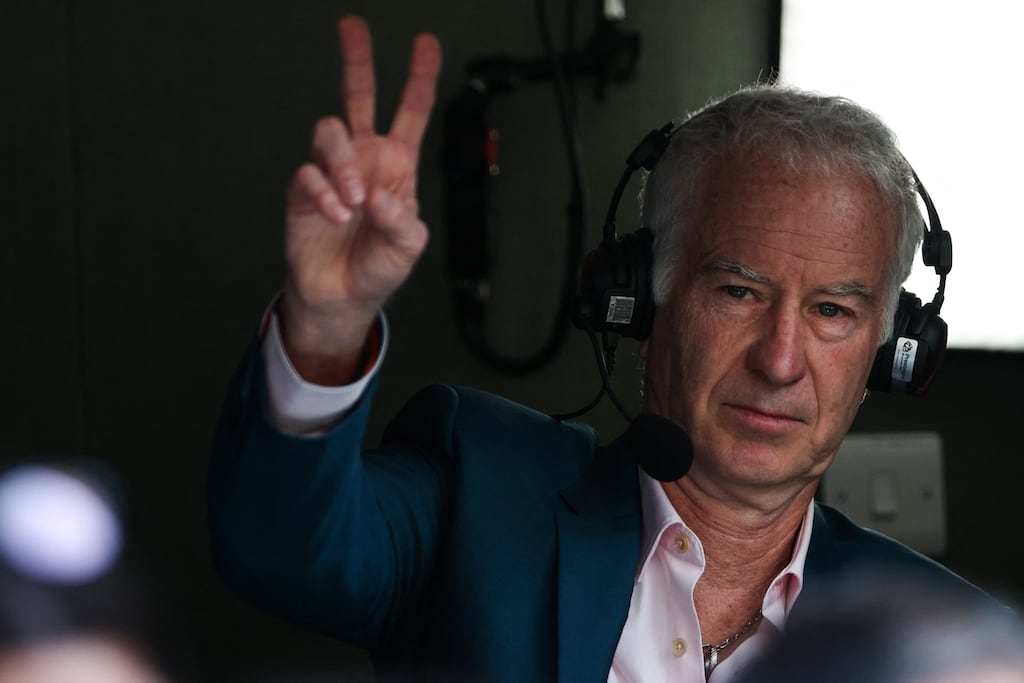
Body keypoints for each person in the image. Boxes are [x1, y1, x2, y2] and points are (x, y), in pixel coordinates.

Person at [208, 15, 989, 683]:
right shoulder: (476, 490)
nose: (780, 359)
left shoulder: (950, 644)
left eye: (831, 311)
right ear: (641, 300)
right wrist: (325, 328)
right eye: (738, 292)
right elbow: (281, 554)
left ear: (889, 352)